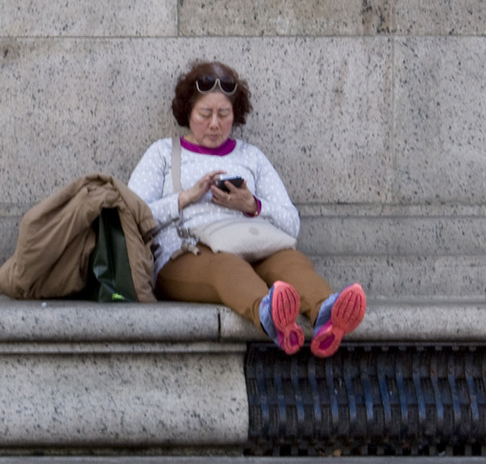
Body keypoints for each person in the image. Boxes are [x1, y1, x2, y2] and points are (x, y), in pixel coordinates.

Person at [127, 60, 366, 357]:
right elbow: (131, 217)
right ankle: (270, 314)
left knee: (290, 262)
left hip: (253, 245)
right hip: (187, 254)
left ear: (235, 115)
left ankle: (326, 314)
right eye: (205, 113)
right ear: (187, 112)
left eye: (223, 114)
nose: (214, 124)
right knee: (226, 266)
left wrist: (252, 205)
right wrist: (185, 198)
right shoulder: (163, 153)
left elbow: (291, 223)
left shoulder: (251, 157)